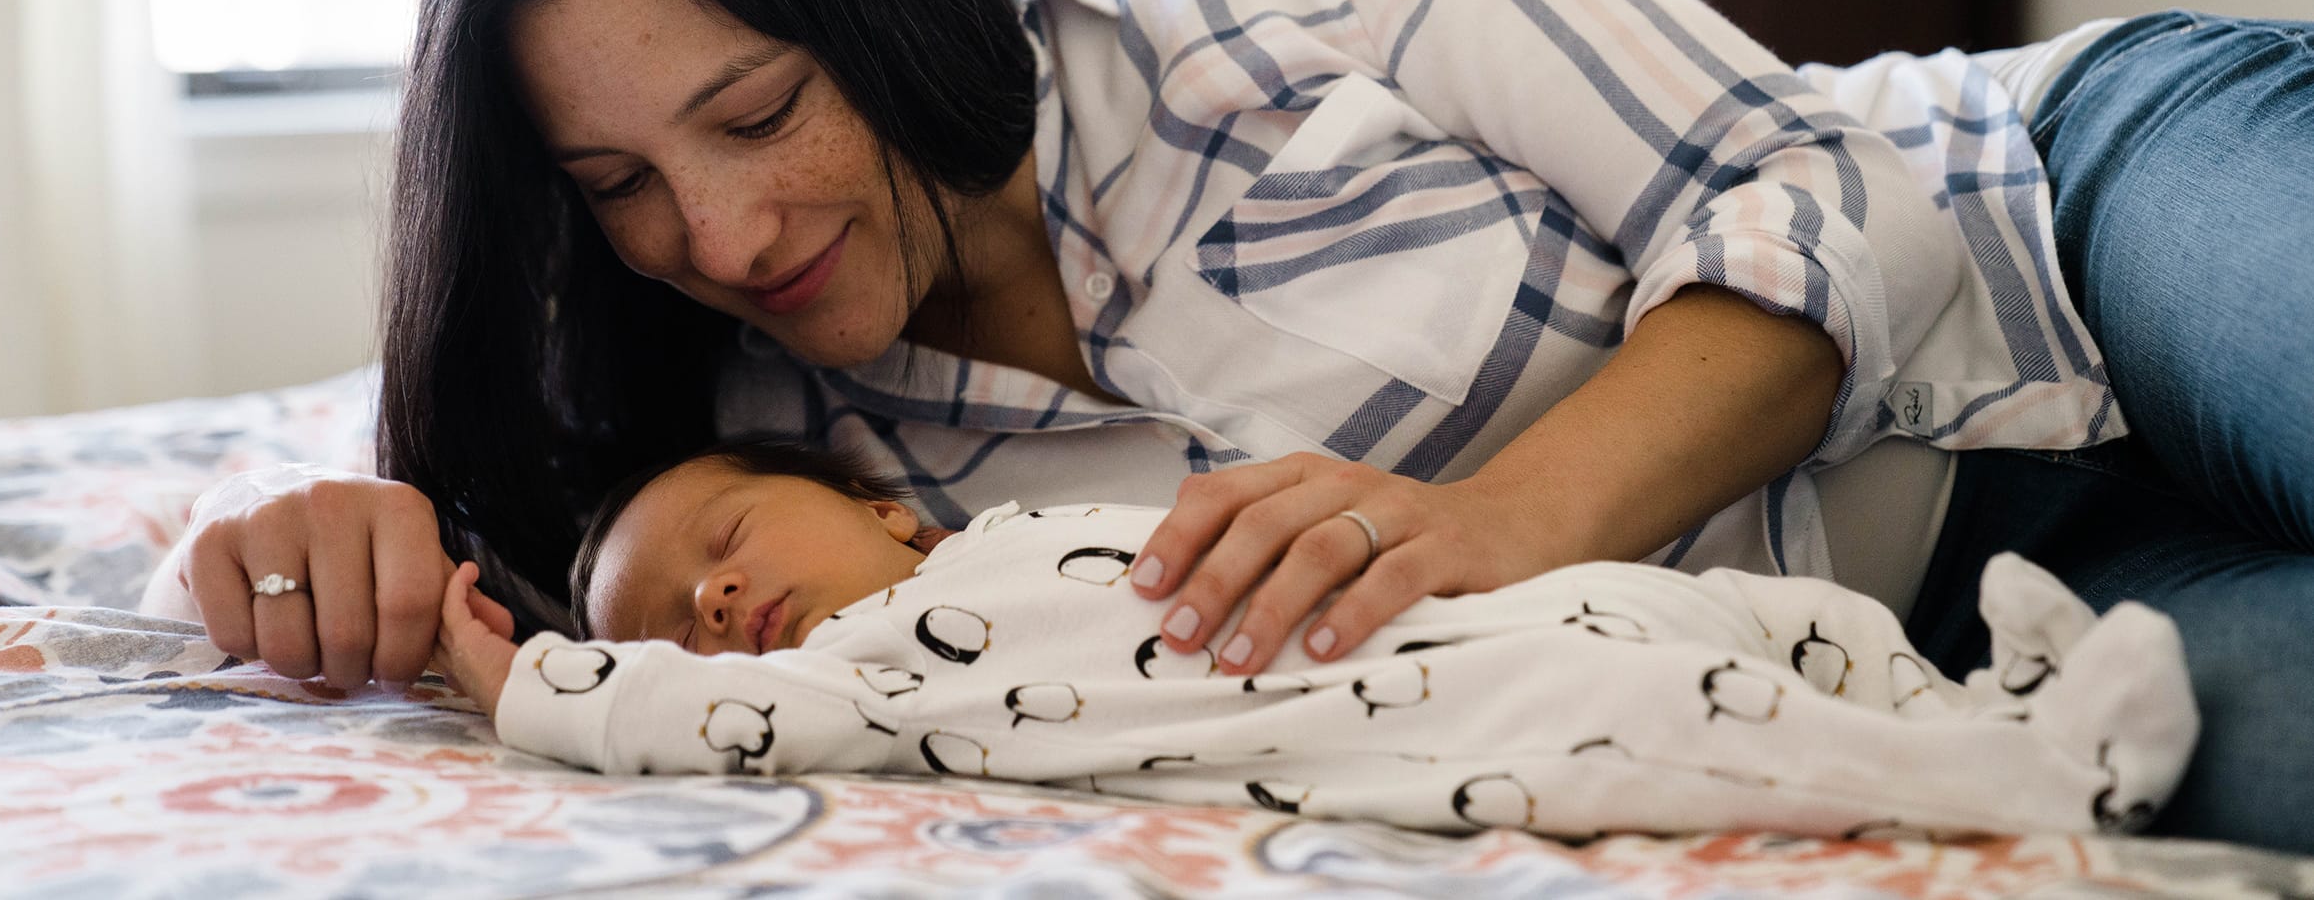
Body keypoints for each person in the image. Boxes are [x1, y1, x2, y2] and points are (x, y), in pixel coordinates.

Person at [138, 0, 2314, 851]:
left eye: (755, 110)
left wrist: (1484, 529)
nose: (713, 235)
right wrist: (306, 552)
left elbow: (1820, 187)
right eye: (614, 180)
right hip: (1933, 637)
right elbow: (468, 547)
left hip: (2064, 220)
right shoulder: (764, 460)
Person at [427, 438, 2197, 839]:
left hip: (1489, 604)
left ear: (887, 505)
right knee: (1686, 728)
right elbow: (701, 719)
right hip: (1449, 724)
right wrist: (534, 682)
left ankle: (1969, 683)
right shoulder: (856, 676)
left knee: (1767, 619)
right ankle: (2017, 781)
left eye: (722, 544)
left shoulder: (1040, 515)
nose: (713, 606)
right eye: (680, 623)